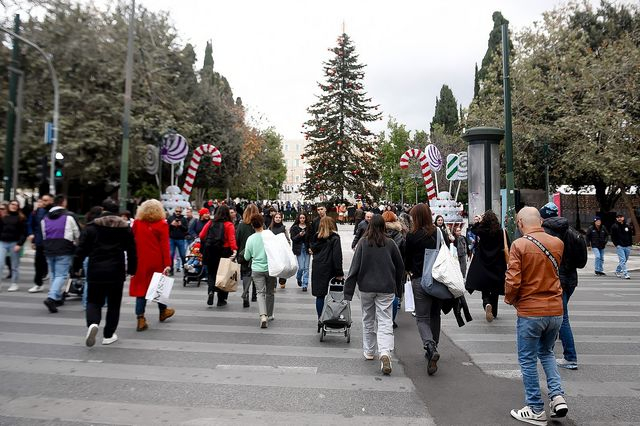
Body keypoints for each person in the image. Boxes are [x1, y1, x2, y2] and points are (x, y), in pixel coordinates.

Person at [505, 207, 568, 425]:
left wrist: (511, 300)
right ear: (540, 221)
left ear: (520, 223)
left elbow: (513, 281)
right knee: (547, 352)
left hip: (531, 310)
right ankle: (557, 396)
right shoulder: (557, 243)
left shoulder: (519, 245)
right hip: (555, 309)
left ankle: (535, 408)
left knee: (528, 359)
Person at [345, 215, 404, 375]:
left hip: (366, 288)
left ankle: (369, 351)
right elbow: (400, 267)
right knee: (385, 321)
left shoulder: (363, 243)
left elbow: (354, 267)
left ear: (369, 226)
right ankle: (385, 352)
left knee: (368, 318)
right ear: (384, 227)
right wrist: (398, 289)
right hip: (386, 287)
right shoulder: (390, 244)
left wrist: (348, 292)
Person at [74, 200, 137, 346]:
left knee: (94, 300)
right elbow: (132, 251)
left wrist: (76, 267)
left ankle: (93, 323)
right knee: (114, 304)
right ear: (117, 212)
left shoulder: (91, 227)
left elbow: (80, 249)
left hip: (96, 269)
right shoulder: (125, 228)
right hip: (116, 270)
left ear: (103, 209)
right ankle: (108, 334)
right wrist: (132, 269)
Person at [540, 202, 584, 371]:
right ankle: (555, 341)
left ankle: (570, 357)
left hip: (557, 278)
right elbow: (580, 261)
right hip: (571, 278)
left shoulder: (547, 234)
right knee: (560, 314)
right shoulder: (572, 231)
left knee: (563, 317)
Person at [405, 203, 441, 375]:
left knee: (422, 318)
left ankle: (430, 345)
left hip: (419, 279)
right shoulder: (438, 233)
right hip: (437, 279)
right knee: (435, 314)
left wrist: (409, 271)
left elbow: (407, 259)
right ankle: (434, 345)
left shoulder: (412, 236)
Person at [129, 200, 175, 331]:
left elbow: (132, 241)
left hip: (140, 260)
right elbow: (165, 246)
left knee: (141, 290)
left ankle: (140, 318)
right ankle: (163, 311)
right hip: (157, 261)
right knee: (160, 287)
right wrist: (167, 263)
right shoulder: (162, 224)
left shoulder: (137, 223)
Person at [465, 210, 509, 322]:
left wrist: (478, 221)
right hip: (497, 263)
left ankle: (487, 303)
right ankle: (493, 312)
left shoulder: (482, 231)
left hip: (483, 262)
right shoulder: (500, 231)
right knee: (494, 288)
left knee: (485, 287)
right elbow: (508, 244)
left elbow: (473, 230)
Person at [41, 195, 81, 313]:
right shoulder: (69, 216)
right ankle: (52, 297)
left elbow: (44, 234)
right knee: (61, 275)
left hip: (48, 248)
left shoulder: (45, 217)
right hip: (64, 248)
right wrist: (77, 244)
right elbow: (77, 233)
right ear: (63, 203)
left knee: (53, 273)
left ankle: (57, 297)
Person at [200, 205, 238, 307]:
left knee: (211, 273)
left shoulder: (210, 222)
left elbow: (201, 235)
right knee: (224, 274)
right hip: (224, 251)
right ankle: (221, 300)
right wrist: (234, 250)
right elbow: (231, 239)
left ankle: (211, 291)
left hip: (211, 251)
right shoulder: (229, 225)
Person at [243, 214, 276, 328]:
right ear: (263, 223)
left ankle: (263, 315)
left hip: (257, 269)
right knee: (270, 292)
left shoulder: (250, 239)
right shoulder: (270, 235)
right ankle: (270, 314)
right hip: (270, 268)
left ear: (252, 225)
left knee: (260, 293)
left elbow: (247, 257)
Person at [310, 216, 343, 322]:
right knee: (335, 295)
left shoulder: (315, 238)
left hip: (318, 267)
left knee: (320, 295)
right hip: (331, 268)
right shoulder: (335, 238)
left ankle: (320, 318)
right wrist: (339, 272)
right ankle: (333, 316)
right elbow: (337, 256)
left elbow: (313, 250)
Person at [382, 211, 405, 329]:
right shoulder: (399, 234)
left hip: (382, 267)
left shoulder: (379, 233)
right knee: (395, 294)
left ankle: (383, 319)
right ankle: (391, 320)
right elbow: (403, 251)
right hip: (396, 266)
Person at [27, 194, 53, 293]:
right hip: (40, 242)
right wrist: (32, 237)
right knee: (38, 263)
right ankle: (38, 284)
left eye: (46, 200)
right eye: (43, 200)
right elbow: (33, 226)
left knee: (52, 264)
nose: (43, 202)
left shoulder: (54, 211)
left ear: (51, 201)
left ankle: (53, 287)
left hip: (52, 242)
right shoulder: (37, 211)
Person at [0, 200, 27, 292]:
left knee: (14, 265)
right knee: (0, 264)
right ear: (9, 205)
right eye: (12, 204)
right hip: (2, 242)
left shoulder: (21, 218)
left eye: (16, 205)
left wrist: (19, 244)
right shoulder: (3, 216)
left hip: (14, 243)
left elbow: (24, 233)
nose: (14, 206)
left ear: (18, 207)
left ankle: (14, 284)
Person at [236, 204, 259, 307]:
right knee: (256, 273)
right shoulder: (259, 225)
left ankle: (246, 295)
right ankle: (254, 295)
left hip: (244, 254)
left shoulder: (241, 225)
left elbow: (237, 239)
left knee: (246, 274)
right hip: (257, 254)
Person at [269, 211, 291, 289]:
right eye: (276, 217)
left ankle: (282, 280)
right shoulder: (270, 228)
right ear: (273, 218)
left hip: (282, 250)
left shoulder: (283, 228)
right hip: (273, 250)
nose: (278, 219)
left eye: (279, 217)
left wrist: (288, 248)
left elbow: (288, 239)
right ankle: (274, 284)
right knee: (274, 267)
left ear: (281, 219)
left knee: (282, 266)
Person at [290, 213, 311, 291]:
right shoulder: (294, 227)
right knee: (301, 267)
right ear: (298, 219)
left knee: (306, 267)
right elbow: (293, 239)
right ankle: (299, 277)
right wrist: (299, 235)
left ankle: (305, 284)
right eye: (301, 218)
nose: (302, 219)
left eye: (303, 218)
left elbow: (311, 238)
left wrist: (311, 248)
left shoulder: (309, 227)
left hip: (307, 248)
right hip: (299, 249)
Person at [610, 213, 634, 280]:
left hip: (627, 246)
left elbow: (630, 235)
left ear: (623, 218)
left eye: (621, 217)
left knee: (625, 260)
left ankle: (617, 270)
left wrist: (630, 244)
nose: (619, 218)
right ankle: (626, 274)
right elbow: (613, 237)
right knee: (622, 260)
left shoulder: (627, 226)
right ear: (616, 218)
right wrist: (616, 244)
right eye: (618, 217)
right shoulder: (614, 226)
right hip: (620, 246)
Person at [167, 207, 188, 275]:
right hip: (172, 239)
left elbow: (186, 229)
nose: (178, 213)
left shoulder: (184, 219)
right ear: (175, 211)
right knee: (171, 255)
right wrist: (171, 225)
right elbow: (166, 229)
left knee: (183, 255)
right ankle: (171, 270)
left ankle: (185, 270)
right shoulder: (170, 218)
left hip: (181, 239)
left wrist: (180, 225)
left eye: (179, 211)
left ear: (181, 212)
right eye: (177, 211)